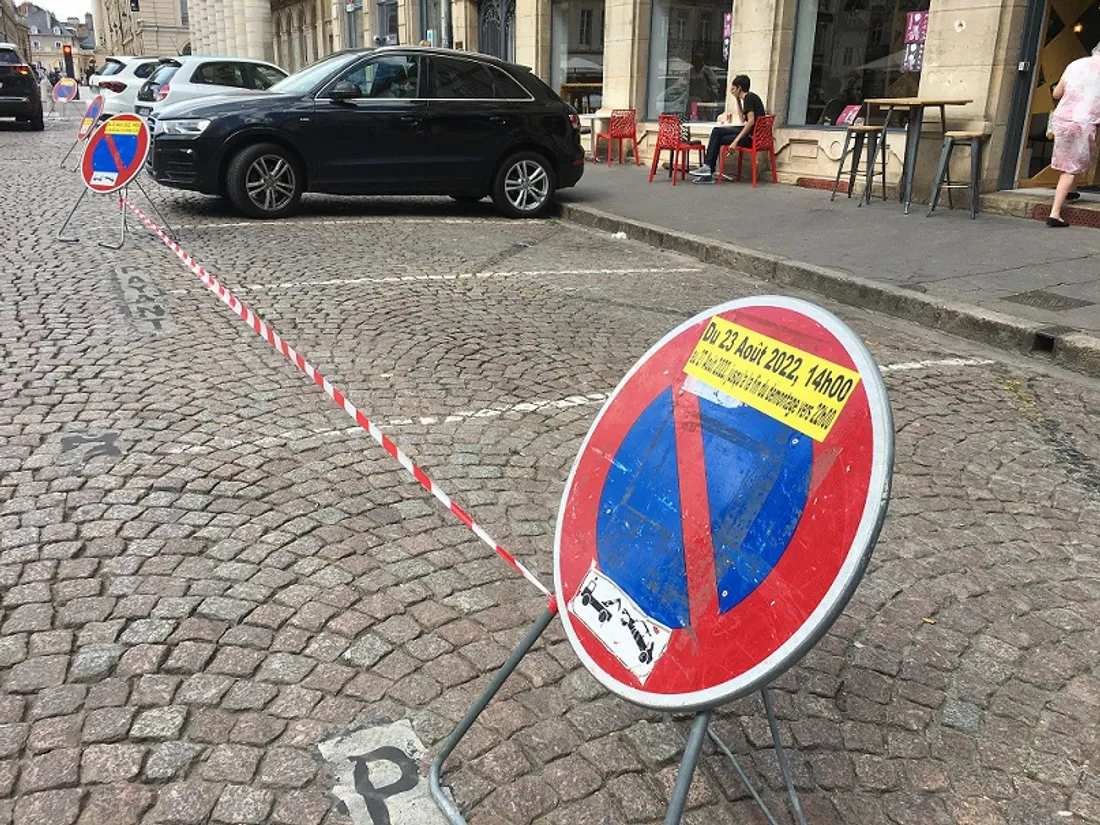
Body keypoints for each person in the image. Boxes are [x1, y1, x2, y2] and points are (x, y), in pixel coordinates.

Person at [1047, 42, 1100, 227]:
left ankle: (1071, 190)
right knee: (1070, 168)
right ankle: (1055, 213)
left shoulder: (1075, 64)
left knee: (1074, 158)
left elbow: (1057, 93)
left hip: (1063, 119)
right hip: (1083, 121)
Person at [690, 74, 765, 184]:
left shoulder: (749, 98)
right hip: (755, 136)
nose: (731, 90)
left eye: (733, 87)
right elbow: (742, 119)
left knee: (718, 137)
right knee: (717, 131)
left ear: (739, 88)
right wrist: (737, 99)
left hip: (752, 138)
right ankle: (708, 169)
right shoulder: (750, 97)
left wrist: (735, 142)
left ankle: (708, 170)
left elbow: (750, 122)